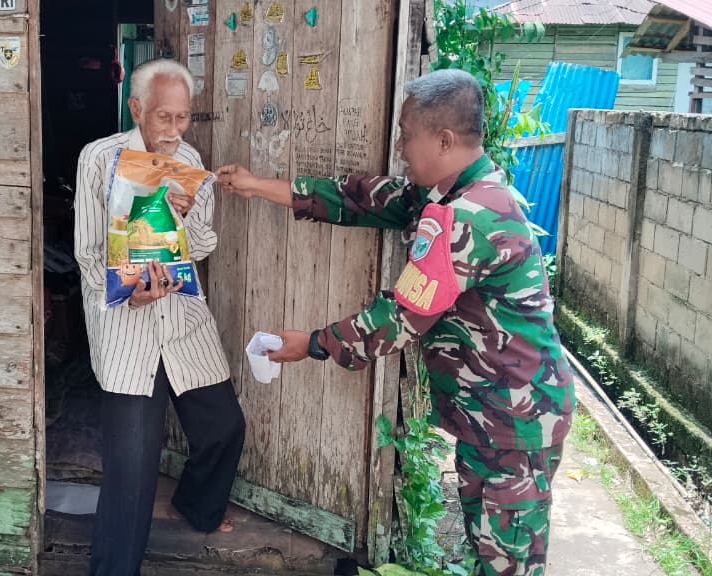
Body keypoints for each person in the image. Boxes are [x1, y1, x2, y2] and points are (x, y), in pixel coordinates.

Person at [215, 69, 574, 576]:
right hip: (494, 417)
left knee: (507, 565)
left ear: (444, 140)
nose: (400, 148)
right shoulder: (447, 195)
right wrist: (256, 186)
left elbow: (399, 318)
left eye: (406, 135)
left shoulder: (470, 217)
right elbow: (362, 197)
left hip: (515, 420)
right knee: (488, 551)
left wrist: (313, 343)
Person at [73, 58, 245, 576]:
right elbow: (87, 253)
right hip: (127, 329)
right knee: (131, 472)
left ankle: (196, 507)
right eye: (163, 117)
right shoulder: (99, 158)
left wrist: (185, 217)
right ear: (136, 108)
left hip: (182, 320)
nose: (174, 130)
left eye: (183, 117)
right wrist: (130, 294)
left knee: (224, 428)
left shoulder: (189, 159)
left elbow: (204, 244)